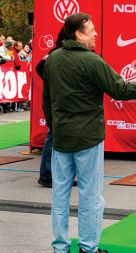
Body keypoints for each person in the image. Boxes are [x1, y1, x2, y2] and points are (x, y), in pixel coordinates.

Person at [43, 13, 136, 253]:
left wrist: (56, 127)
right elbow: (121, 90)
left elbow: (47, 101)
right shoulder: (92, 61)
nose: (95, 33)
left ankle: (60, 248)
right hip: (88, 140)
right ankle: (88, 248)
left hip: (62, 140)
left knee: (59, 196)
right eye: (91, 30)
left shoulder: (53, 60)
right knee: (90, 196)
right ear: (78, 34)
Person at [37, 27, 69, 188]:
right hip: (55, 103)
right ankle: (46, 174)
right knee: (53, 136)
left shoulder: (61, 52)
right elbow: (39, 67)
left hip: (58, 102)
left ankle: (52, 174)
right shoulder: (57, 52)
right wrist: (52, 81)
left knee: (56, 137)